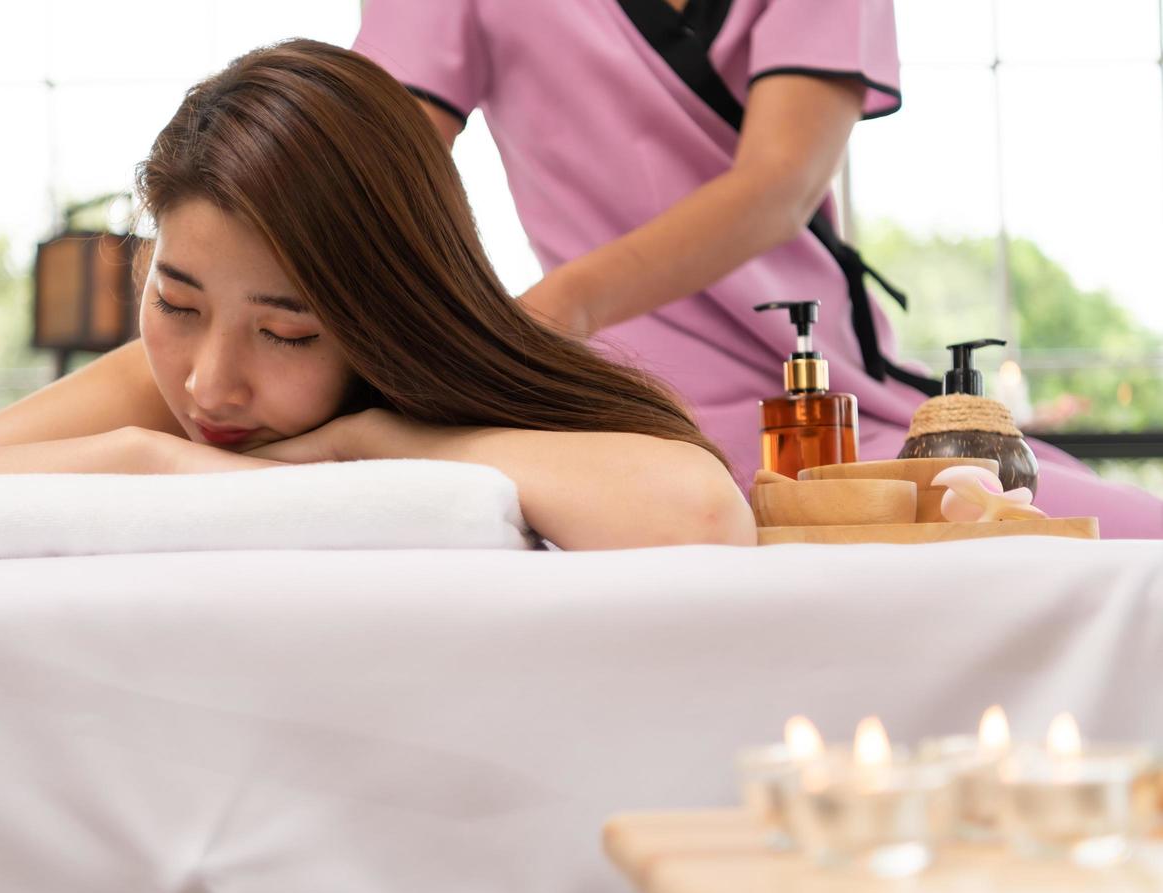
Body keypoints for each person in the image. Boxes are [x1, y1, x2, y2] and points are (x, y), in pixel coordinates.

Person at [0, 40, 754, 563]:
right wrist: (134, 458)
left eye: (285, 328)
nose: (210, 378)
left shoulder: (443, 395)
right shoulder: (151, 401)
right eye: (177, 299)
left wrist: (366, 443)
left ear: (388, 314)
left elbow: (700, 515)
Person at [353, 0, 1163, 538]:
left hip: (823, 411)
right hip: (609, 414)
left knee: (1128, 536)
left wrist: (547, 315)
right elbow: (362, 168)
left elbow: (779, 183)